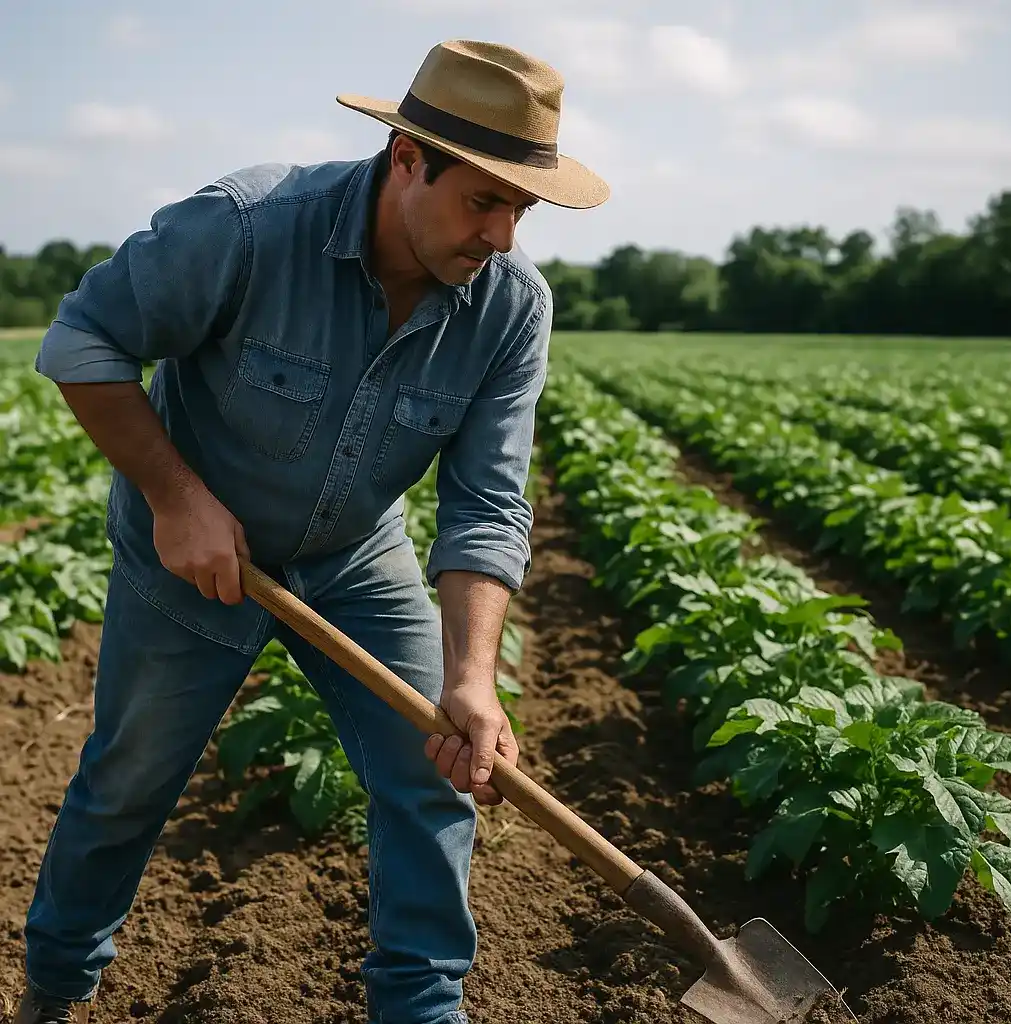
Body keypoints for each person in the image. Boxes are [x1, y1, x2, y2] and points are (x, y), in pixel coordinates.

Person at [12, 37, 609, 1024]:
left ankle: (419, 1008)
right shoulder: (248, 228)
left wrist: (469, 678)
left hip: (354, 556)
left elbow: (488, 502)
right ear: (407, 157)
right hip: (192, 554)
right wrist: (174, 496)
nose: (502, 235)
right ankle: (54, 991)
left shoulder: (509, 309)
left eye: (521, 208)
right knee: (125, 785)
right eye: (483, 200)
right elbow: (84, 339)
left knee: (439, 765)